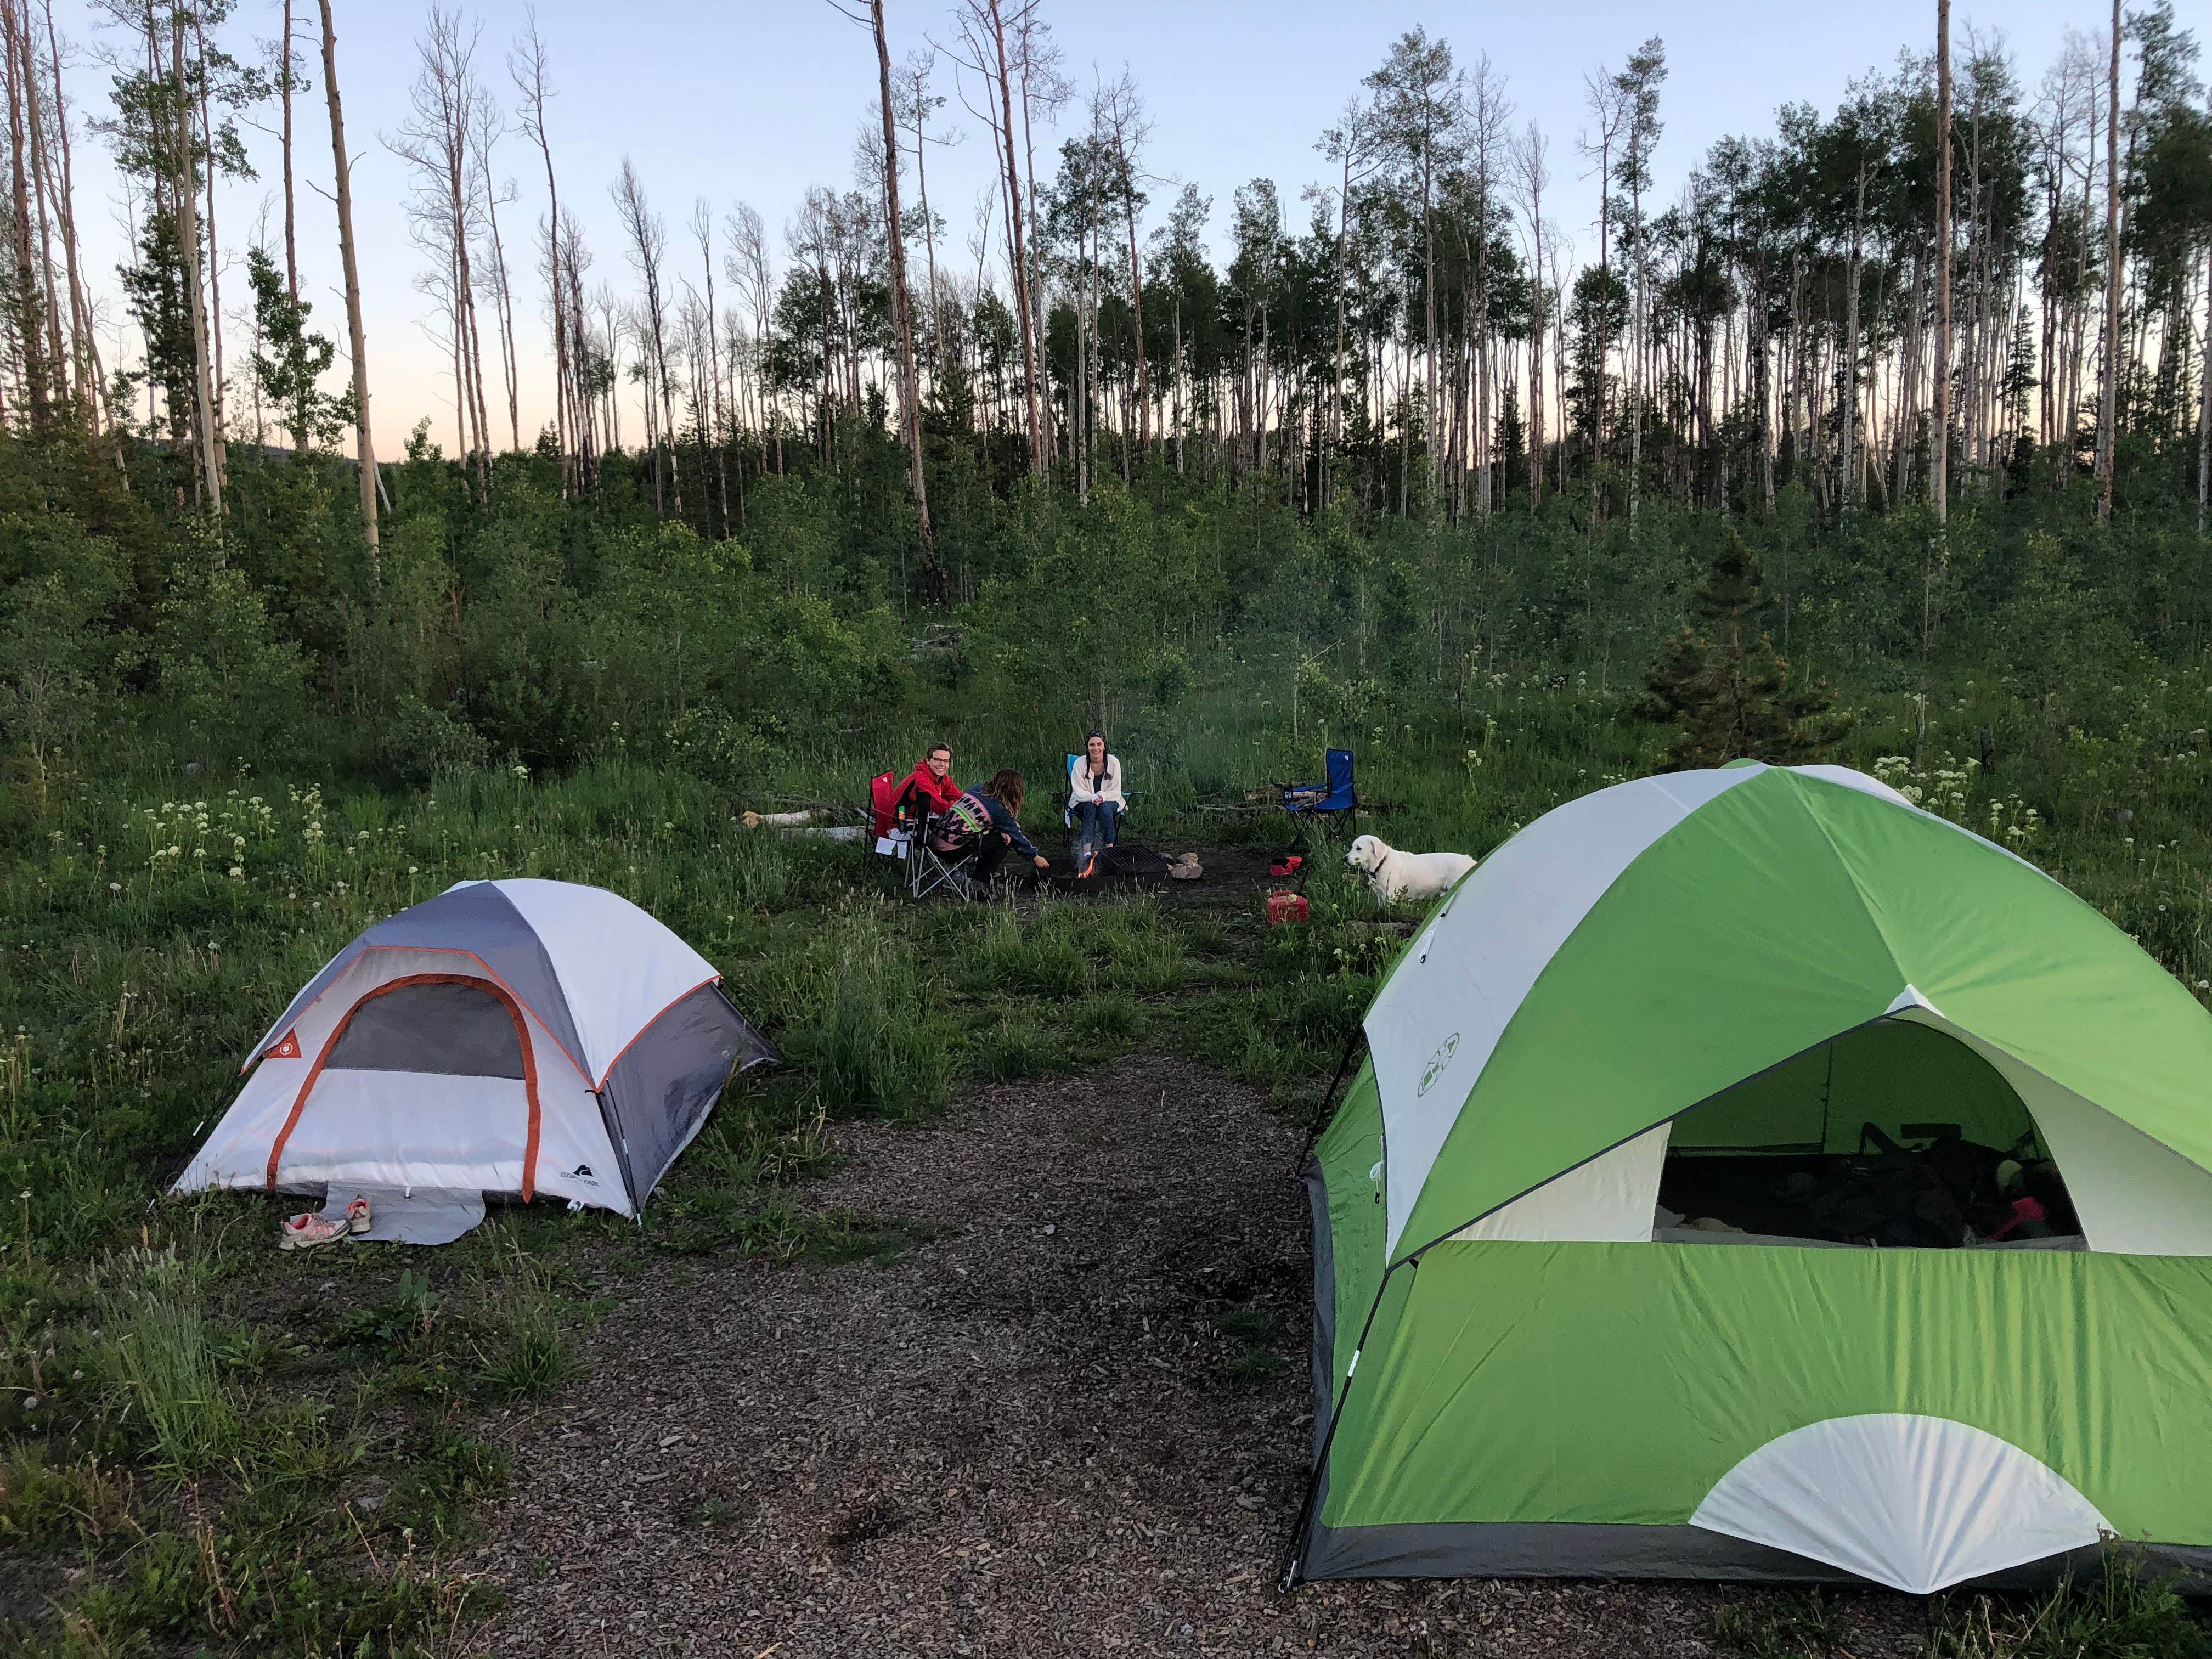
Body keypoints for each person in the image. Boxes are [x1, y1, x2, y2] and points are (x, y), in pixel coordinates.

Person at [933, 768, 1049, 894]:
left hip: (934, 841)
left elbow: (979, 821)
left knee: (999, 835)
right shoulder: (998, 808)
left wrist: (999, 829)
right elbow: (1017, 836)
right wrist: (1035, 856)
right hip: (952, 849)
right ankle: (979, 884)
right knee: (1005, 841)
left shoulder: (978, 788)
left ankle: (970, 869)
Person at [1068, 730, 1125, 874]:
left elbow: (1116, 790)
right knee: (1090, 809)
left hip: (1110, 799)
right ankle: (1087, 851)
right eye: (1092, 745)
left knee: (1105, 809)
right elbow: (1078, 790)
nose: (1096, 748)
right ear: (1087, 747)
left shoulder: (1113, 763)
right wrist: (1092, 798)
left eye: (1099, 744)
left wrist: (1102, 796)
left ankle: (1109, 849)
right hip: (1083, 800)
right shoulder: (1079, 764)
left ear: (1104, 746)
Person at [902, 742, 963, 819]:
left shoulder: (943, 778)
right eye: (938, 760)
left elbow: (958, 797)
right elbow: (939, 806)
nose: (942, 764)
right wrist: (961, 808)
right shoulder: (920, 779)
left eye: (946, 761)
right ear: (928, 760)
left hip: (920, 820)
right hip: (901, 822)